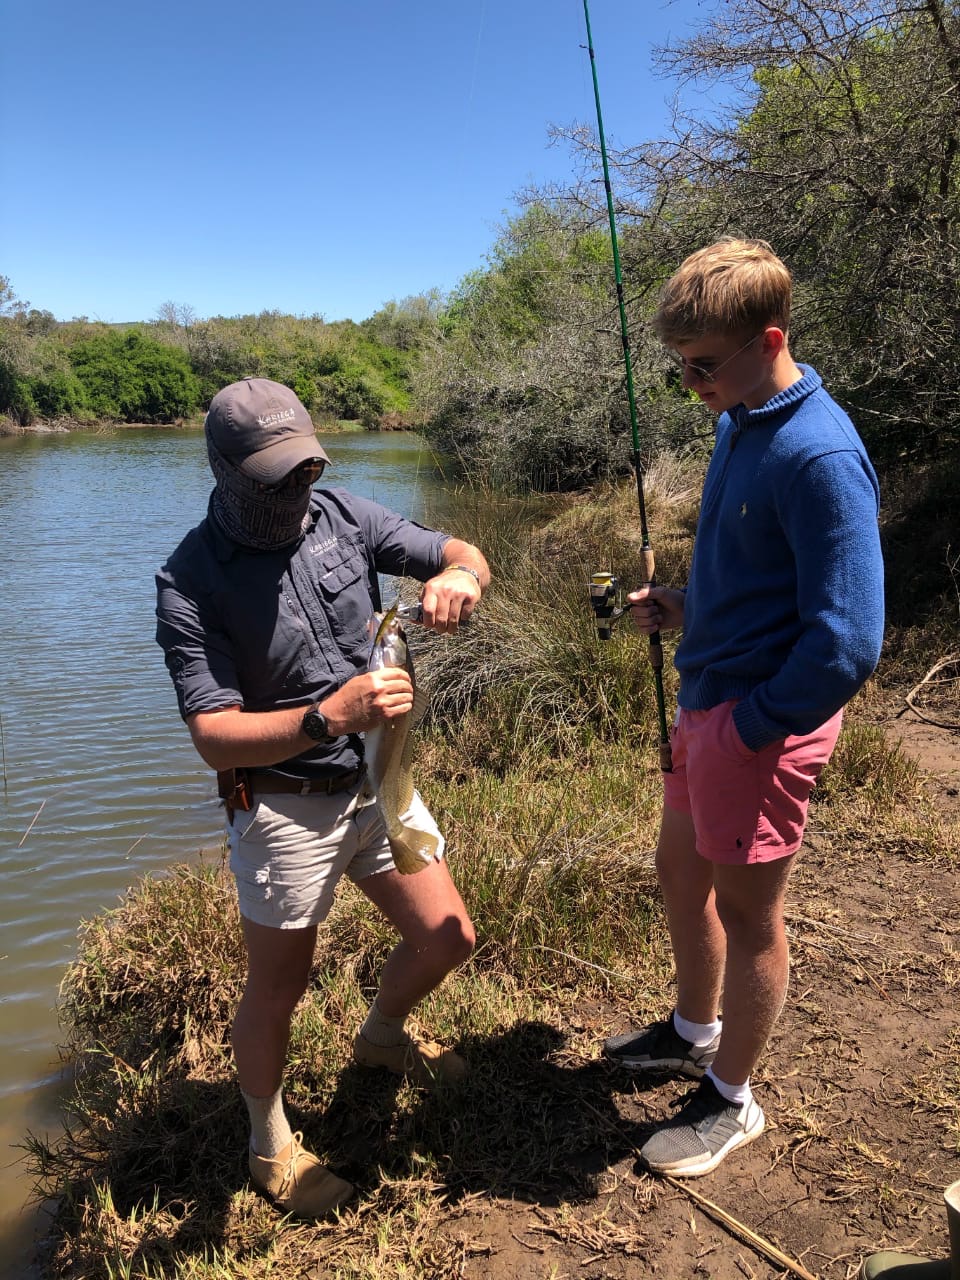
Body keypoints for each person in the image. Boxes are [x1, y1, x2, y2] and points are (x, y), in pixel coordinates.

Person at [155, 377, 489, 1218]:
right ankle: (268, 1144)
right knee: (281, 985)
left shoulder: (345, 516)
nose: (296, 491)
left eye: (305, 469)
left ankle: (379, 1040)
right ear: (226, 474)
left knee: (449, 935)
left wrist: (460, 580)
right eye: (274, 479)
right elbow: (213, 736)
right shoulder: (188, 581)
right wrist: (325, 717)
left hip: (377, 784)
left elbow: (461, 550)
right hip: (284, 803)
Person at [603, 239, 885, 1177]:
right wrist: (685, 609)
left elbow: (846, 640)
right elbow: (761, 586)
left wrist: (750, 727)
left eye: (703, 365)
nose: (689, 385)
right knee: (681, 876)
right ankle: (692, 1030)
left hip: (753, 729)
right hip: (708, 705)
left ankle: (732, 1101)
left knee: (750, 914)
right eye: (677, 366)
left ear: (770, 339)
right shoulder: (741, 418)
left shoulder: (820, 456)